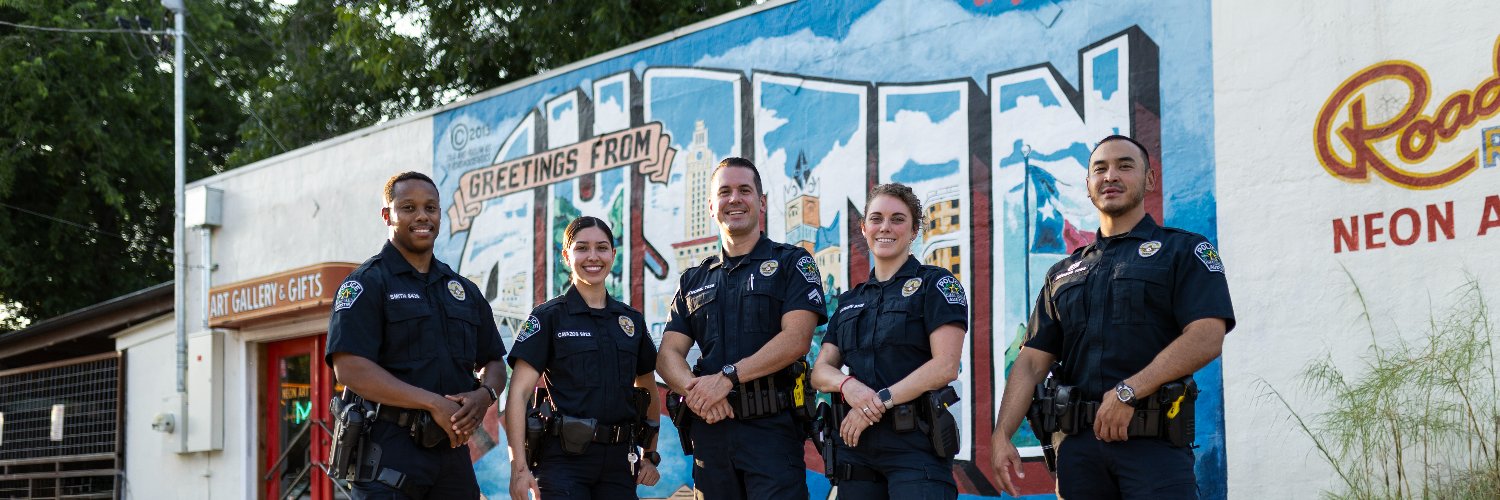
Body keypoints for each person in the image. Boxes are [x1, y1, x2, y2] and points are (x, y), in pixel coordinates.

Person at [988, 135, 1236, 499]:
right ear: (1089, 185)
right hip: (1079, 455)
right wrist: (1002, 434)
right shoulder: (1062, 273)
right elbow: (1030, 363)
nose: (1110, 176)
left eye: (1124, 165)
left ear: (1149, 179)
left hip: (1154, 449)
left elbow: (1206, 337)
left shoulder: (1183, 250)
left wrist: (1128, 391)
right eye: (1100, 169)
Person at [326, 171, 508, 499]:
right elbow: (349, 369)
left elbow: (494, 361)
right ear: (387, 215)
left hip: (452, 456)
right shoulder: (367, 284)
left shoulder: (463, 291)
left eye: (430, 208)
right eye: (408, 208)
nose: (422, 216)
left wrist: (484, 397)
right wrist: (432, 403)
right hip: (388, 456)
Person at [656, 157, 828, 499]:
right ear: (711, 205)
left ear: (761, 202)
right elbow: (667, 355)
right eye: (724, 192)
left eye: (744, 190)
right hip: (711, 433)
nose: (734, 199)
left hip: (772, 434)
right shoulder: (693, 280)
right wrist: (698, 393)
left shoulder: (792, 262)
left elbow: (796, 339)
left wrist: (727, 378)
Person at [810, 183, 969, 500]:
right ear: (864, 228)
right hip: (856, 451)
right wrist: (848, 386)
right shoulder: (849, 301)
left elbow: (945, 366)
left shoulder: (936, 284)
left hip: (916, 450)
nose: (885, 227)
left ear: (914, 230)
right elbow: (820, 371)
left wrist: (877, 402)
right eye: (876, 218)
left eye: (897, 219)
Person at [504, 216, 661, 500]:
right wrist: (519, 468)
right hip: (563, 463)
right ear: (566, 256)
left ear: (613, 255)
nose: (593, 256)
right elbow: (518, 393)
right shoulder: (549, 317)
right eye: (582, 248)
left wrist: (649, 455)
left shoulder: (630, 321)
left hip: (619, 465)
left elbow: (647, 388)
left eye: (601, 248)